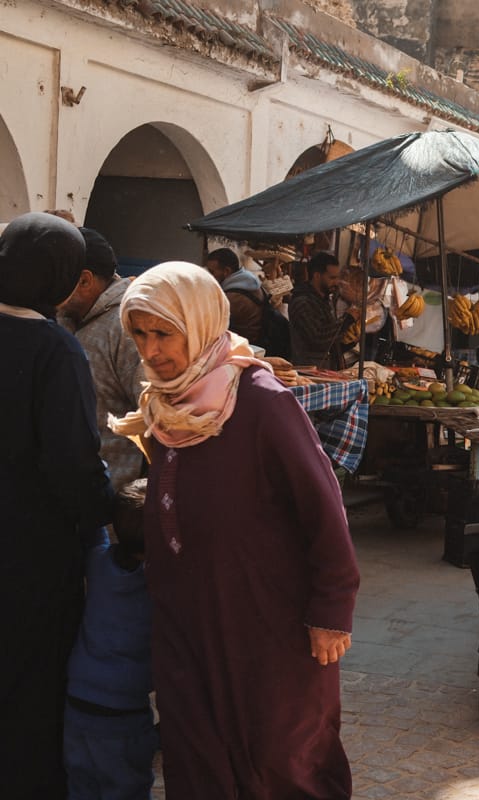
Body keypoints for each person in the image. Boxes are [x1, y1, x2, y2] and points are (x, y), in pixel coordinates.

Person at [109, 262, 360, 799]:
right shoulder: (166, 405)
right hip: (186, 620)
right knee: (196, 757)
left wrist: (331, 610)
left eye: (163, 334)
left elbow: (324, 506)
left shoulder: (263, 403)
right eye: (140, 335)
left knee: (281, 760)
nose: (151, 351)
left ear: (199, 325)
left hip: (270, 623)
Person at [0, 212, 115, 799]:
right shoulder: (53, 349)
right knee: (30, 686)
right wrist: (110, 512)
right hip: (30, 555)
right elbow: (73, 459)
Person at [63, 478, 156, 800]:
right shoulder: (159, 586)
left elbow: (93, 531)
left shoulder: (98, 563)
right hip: (124, 715)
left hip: (77, 703)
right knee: (125, 790)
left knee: (81, 787)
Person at [58, 228, 146, 490]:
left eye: (57, 276)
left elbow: (153, 418)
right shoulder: (63, 317)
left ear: (84, 281)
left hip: (111, 501)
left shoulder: (128, 327)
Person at [289, 251, 358, 369]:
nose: (336, 282)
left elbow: (330, 343)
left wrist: (351, 340)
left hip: (324, 369)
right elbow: (317, 339)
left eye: (337, 277)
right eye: (332, 278)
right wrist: (346, 320)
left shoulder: (323, 300)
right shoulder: (302, 303)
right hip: (309, 371)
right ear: (317, 276)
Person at [204, 247, 264, 344]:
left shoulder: (232, 298)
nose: (210, 276)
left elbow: (207, 325)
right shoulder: (250, 283)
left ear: (226, 271)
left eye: (212, 272)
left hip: (245, 346)